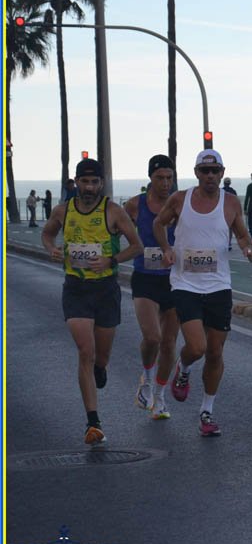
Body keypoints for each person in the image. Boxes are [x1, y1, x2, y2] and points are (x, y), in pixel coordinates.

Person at [153, 149, 252, 437]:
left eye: (215, 171)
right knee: (196, 347)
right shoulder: (180, 199)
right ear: (197, 173)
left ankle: (207, 412)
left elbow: (241, 234)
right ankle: (183, 367)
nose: (210, 176)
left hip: (219, 285)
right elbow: (158, 223)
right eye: (205, 171)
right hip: (185, 284)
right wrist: (166, 249)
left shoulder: (231, 202)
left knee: (214, 352)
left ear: (222, 173)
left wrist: (249, 248)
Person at [41, 159, 143, 445]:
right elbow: (47, 233)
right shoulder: (63, 210)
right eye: (84, 182)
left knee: (101, 355)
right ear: (75, 182)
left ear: (101, 183)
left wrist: (111, 259)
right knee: (85, 351)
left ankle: (101, 367)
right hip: (75, 288)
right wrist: (52, 249)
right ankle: (93, 422)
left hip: (105, 289)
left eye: (94, 182)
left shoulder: (113, 211)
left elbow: (137, 246)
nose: (89, 188)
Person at [124, 155, 179, 420]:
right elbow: (114, 229)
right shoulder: (135, 205)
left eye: (169, 178)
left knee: (169, 344)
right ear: (150, 178)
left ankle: (159, 397)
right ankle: (145, 379)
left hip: (175, 279)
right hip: (145, 277)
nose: (165, 183)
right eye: (160, 178)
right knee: (153, 337)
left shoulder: (180, 204)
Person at [222, 177, 237, 251]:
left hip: (222, 212)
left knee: (223, 228)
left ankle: (224, 242)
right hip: (231, 211)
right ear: (230, 183)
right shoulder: (233, 191)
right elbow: (235, 202)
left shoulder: (221, 191)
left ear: (224, 183)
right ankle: (229, 243)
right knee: (230, 228)